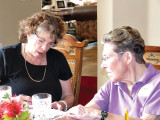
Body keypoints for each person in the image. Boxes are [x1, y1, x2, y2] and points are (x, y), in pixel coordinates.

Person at [55, 26, 160, 120]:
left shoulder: (157, 84)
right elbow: (84, 112)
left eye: (106, 58)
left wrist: (99, 115)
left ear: (127, 57)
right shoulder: (114, 84)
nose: (102, 66)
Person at [0, 12, 74, 111]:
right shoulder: (5, 56)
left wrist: (63, 104)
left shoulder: (58, 58)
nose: (44, 48)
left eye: (50, 43)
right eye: (41, 40)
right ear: (29, 34)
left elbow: (68, 95)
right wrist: (12, 101)